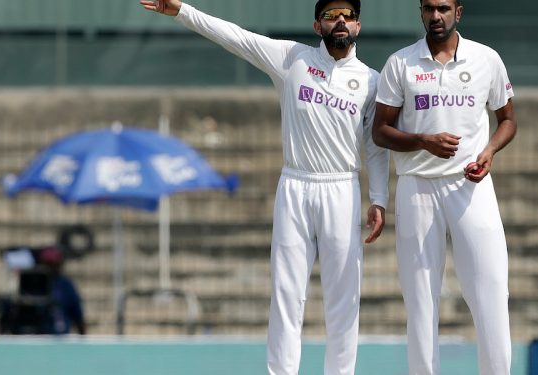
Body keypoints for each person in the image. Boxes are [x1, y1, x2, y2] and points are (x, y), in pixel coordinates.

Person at [140, 1, 389, 374]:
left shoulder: (371, 80)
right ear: (317, 24)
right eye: (331, 15)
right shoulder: (292, 58)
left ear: (358, 25)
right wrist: (182, 11)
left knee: (344, 297)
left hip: (341, 188)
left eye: (348, 16)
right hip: (295, 184)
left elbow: (374, 145)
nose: (340, 21)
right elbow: (236, 38)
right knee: (287, 294)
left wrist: (379, 198)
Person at [371, 0, 517, 374]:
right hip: (417, 187)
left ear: (458, 12)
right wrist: (423, 141)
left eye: (443, 8)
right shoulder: (400, 63)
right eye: (429, 9)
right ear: (420, 12)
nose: (436, 17)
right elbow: (380, 131)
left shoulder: (487, 59)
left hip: (471, 187)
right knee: (421, 301)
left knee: (491, 294)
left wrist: (490, 150)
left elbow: (508, 119)